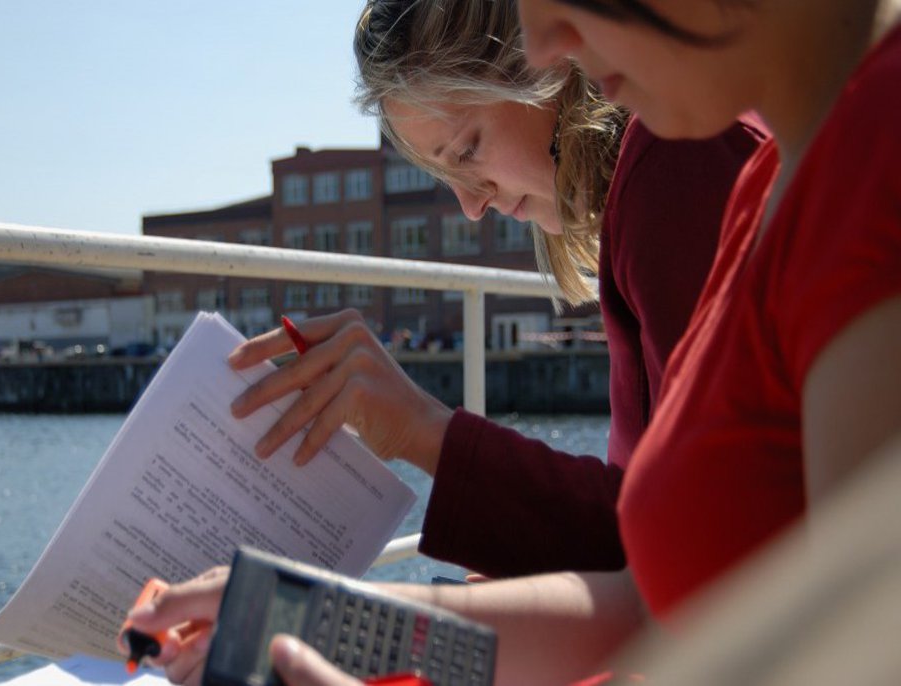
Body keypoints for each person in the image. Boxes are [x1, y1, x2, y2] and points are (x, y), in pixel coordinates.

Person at [127, 0, 901, 683]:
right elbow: (657, 589)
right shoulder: (770, 178)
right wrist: (328, 620)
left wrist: (428, 441)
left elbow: (821, 622)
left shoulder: (721, 160)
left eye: (465, 149)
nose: (546, 39)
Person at [227, 0, 763, 578]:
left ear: (547, 64)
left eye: (467, 151)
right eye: (448, 176)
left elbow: (693, 546)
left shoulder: (677, 168)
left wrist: (423, 430)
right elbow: (660, 523)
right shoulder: (665, 168)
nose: (473, 205)